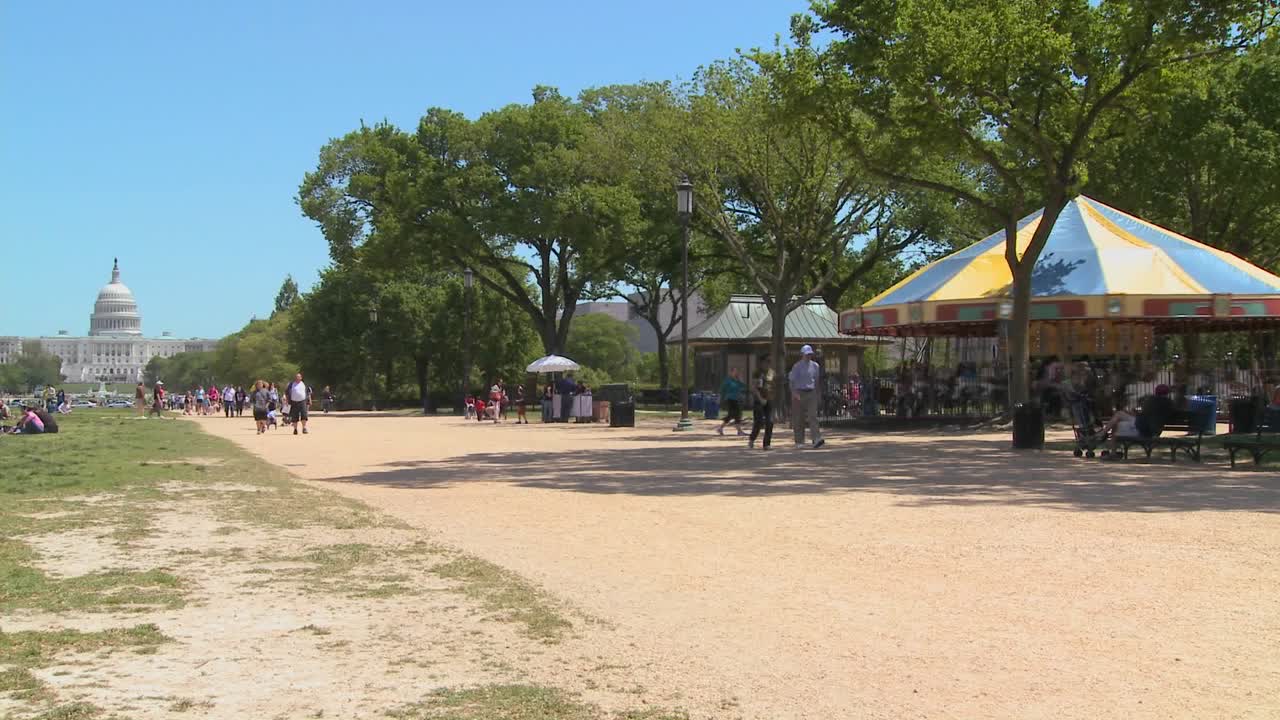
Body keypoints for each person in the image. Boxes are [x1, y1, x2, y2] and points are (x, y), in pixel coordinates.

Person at [1101, 383, 1176, 457]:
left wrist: (1133, 412)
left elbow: (1143, 415)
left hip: (1142, 429)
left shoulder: (1151, 400)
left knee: (1117, 420)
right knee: (1119, 416)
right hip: (1151, 429)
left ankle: (1104, 438)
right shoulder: (1168, 403)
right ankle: (1105, 438)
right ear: (1167, 393)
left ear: (1156, 391)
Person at [789, 345, 824, 449]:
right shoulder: (796, 366)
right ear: (802, 354)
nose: (808, 356)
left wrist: (818, 394)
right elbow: (791, 381)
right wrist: (794, 393)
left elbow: (816, 381)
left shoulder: (815, 366)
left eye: (810, 354)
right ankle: (799, 441)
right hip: (799, 392)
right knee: (799, 418)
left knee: (813, 416)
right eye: (806, 354)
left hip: (811, 392)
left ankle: (816, 438)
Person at [750, 367, 775, 450]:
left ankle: (766, 444)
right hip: (759, 401)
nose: (768, 364)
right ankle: (752, 438)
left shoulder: (771, 372)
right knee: (758, 422)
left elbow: (772, 386)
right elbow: (754, 388)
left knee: (770, 422)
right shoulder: (757, 372)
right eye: (767, 361)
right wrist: (760, 398)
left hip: (769, 400)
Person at [718, 367, 747, 436]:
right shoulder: (728, 380)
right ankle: (738, 430)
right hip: (730, 399)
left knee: (737, 415)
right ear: (731, 372)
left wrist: (741, 379)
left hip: (736, 399)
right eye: (734, 371)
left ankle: (738, 431)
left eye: (736, 371)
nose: (736, 373)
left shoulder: (737, 381)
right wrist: (719, 398)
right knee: (732, 414)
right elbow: (722, 389)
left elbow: (744, 387)